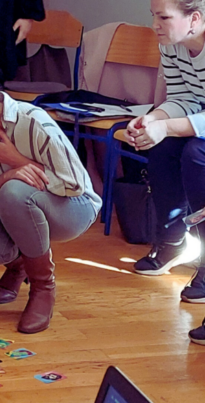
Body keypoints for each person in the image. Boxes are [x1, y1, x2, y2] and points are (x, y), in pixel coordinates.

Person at [0, 35, 101, 334]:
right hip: (15, 207)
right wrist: (7, 176)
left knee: (15, 192)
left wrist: (15, 160)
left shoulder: (33, 121)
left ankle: (43, 287)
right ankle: (20, 265)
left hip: (74, 208)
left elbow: (74, 184)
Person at [124, 0, 205, 344]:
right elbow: (184, 97)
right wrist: (153, 120)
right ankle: (171, 242)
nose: (155, 24)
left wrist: (168, 126)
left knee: (196, 154)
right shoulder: (171, 44)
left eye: (163, 17)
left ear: (194, 18)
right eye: (153, 16)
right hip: (197, 121)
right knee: (158, 145)